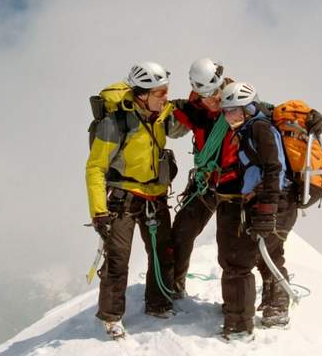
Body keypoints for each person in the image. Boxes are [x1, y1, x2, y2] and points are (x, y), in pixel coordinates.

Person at [86, 61, 188, 339]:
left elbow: (180, 129)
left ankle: (159, 304)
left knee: (162, 252)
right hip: (123, 199)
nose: (165, 96)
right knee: (118, 259)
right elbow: (95, 167)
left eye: (166, 91)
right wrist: (98, 211)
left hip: (155, 196)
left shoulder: (162, 114)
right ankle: (111, 316)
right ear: (143, 94)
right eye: (160, 92)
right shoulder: (115, 122)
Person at [221, 82, 322, 331]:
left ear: (249, 108)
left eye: (234, 111)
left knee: (246, 259)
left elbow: (274, 167)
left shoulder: (260, 128)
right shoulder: (249, 127)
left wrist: (266, 208)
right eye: (226, 112)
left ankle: (246, 320)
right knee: (269, 253)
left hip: (277, 202)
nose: (229, 117)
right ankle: (273, 307)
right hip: (272, 201)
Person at [170, 58, 243, 299]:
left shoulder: (242, 103)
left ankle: (241, 305)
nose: (213, 100)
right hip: (206, 183)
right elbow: (159, 113)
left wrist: (306, 117)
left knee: (234, 247)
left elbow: (271, 114)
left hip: (236, 187)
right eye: (205, 95)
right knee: (181, 231)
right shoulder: (195, 109)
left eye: (215, 92)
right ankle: (173, 287)